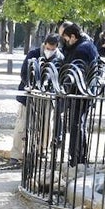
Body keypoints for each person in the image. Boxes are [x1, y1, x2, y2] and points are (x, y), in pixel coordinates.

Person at [11, 33, 62, 164]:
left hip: (48, 97)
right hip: (29, 95)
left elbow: (59, 77)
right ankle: (16, 155)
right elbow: (24, 73)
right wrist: (33, 86)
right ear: (44, 44)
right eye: (48, 48)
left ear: (57, 47)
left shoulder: (60, 57)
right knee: (22, 124)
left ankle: (42, 150)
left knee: (46, 125)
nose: (50, 51)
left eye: (53, 49)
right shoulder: (33, 54)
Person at [59, 22, 99, 166]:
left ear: (73, 37)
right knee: (78, 124)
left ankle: (77, 158)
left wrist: (66, 88)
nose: (66, 42)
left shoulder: (81, 49)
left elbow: (75, 73)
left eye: (67, 39)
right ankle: (79, 156)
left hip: (80, 93)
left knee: (76, 125)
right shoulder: (84, 45)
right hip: (83, 93)